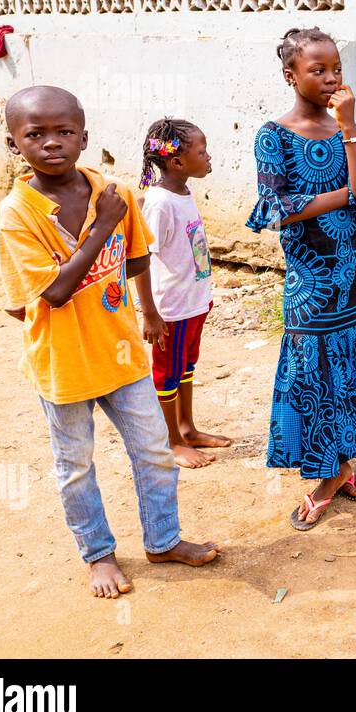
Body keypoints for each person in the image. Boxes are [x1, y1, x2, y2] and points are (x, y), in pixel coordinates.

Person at [0, 85, 219, 598]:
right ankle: (97, 554)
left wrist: (149, 311)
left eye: (64, 131)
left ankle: (163, 539)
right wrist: (104, 226)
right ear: (14, 144)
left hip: (122, 357)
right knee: (76, 467)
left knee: (156, 453)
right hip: (64, 365)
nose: (52, 143)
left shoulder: (107, 190)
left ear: (84, 136)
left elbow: (139, 256)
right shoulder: (19, 214)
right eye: (35, 134)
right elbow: (53, 292)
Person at [246, 28, 356, 530]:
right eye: (318, 69)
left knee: (342, 358)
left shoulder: (349, 130)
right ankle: (338, 469)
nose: (331, 78)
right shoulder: (274, 135)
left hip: (350, 268)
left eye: (336, 69)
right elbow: (280, 210)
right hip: (309, 275)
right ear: (292, 76)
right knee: (313, 364)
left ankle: (335, 472)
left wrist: (348, 128)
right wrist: (343, 197)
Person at [139, 118, 230, 469]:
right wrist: (150, 314)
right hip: (171, 310)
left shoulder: (183, 193)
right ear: (177, 162)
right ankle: (171, 443)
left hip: (194, 303)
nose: (208, 157)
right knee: (167, 375)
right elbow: (140, 258)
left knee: (186, 367)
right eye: (202, 151)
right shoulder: (160, 203)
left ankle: (187, 428)